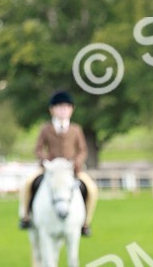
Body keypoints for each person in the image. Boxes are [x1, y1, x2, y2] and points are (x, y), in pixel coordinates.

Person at [19, 91, 98, 235]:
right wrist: (45, 161)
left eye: (66, 107)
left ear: (71, 110)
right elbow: (38, 149)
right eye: (59, 107)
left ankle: (86, 222)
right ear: (52, 110)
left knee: (92, 189)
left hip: (71, 169)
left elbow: (82, 150)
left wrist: (76, 162)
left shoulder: (76, 129)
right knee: (28, 183)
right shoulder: (46, 128)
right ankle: (25, 216)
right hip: (50, 169)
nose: (63, 110)